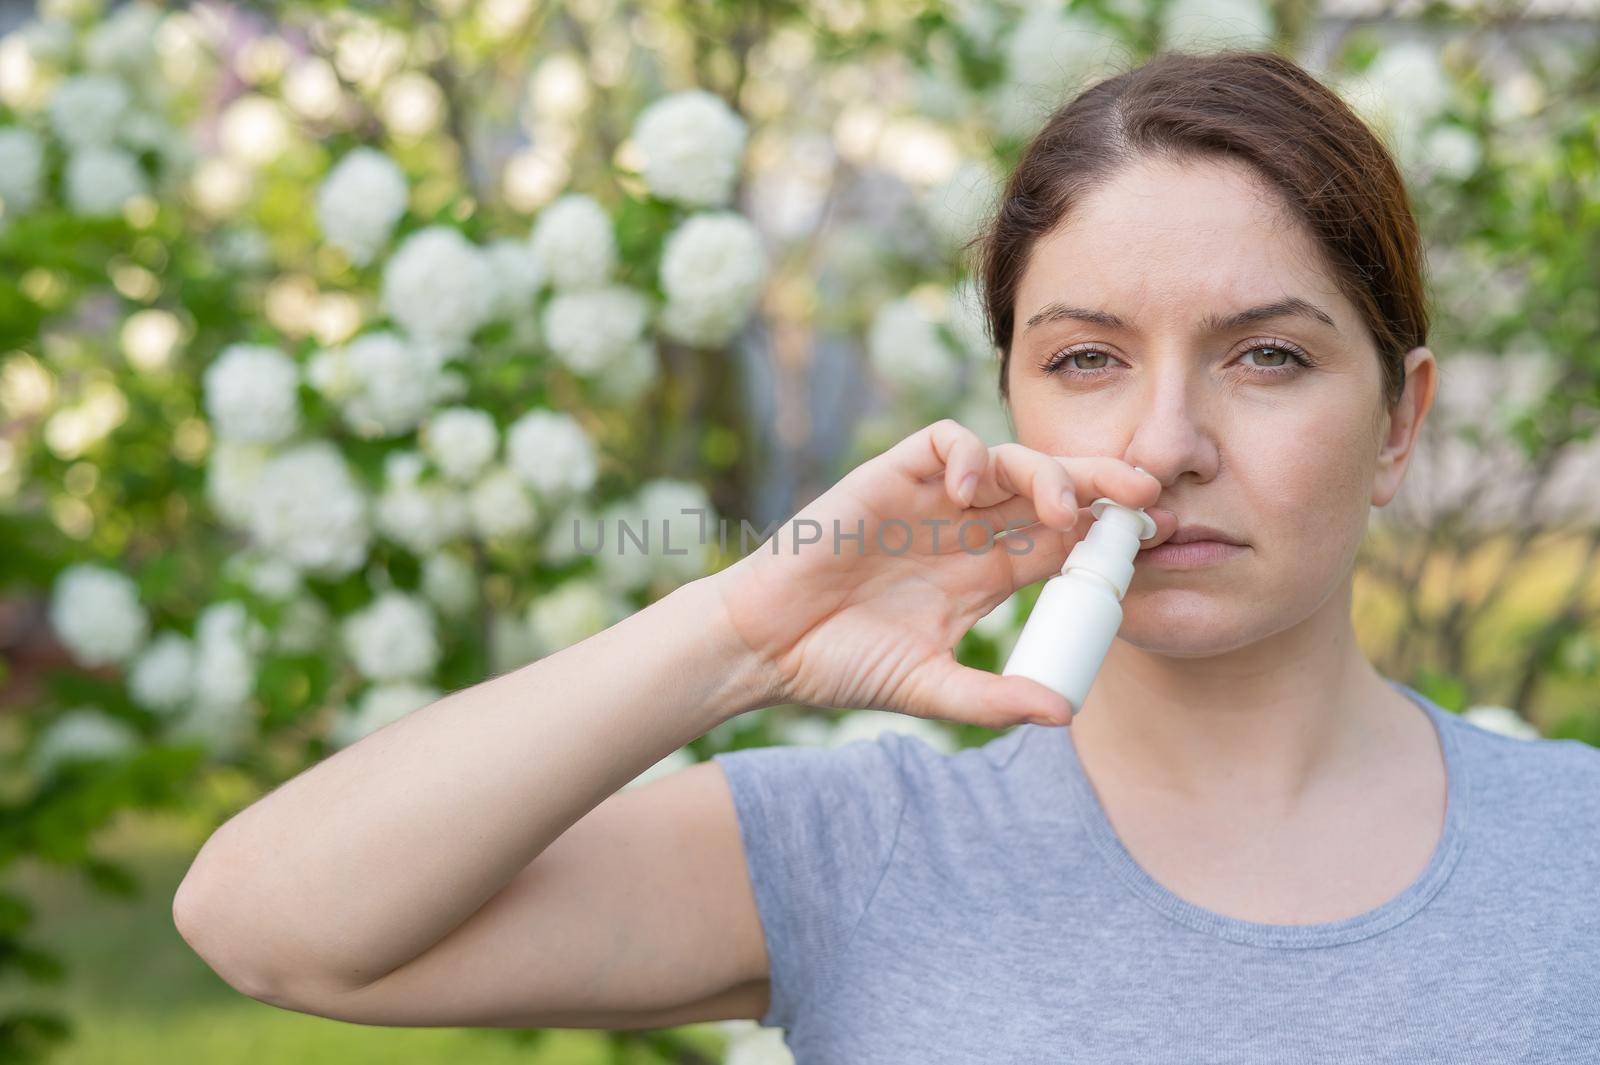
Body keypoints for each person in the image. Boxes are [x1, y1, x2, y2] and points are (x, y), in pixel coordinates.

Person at [172, 48, 1600, 1060]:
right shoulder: (870, 847)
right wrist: (745, 632)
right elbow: (266, 919)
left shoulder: (1574, 847)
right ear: (1014, 406)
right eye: (1088, 357)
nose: (1166, 440)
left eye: (1269, 355)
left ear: (1400, 422)